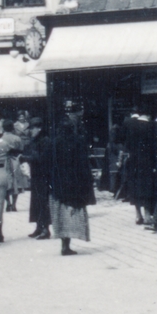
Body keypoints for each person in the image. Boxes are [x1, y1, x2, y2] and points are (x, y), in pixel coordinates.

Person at [46, 102, 95, 256]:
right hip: (74, 181)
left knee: (61, 212)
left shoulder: (54, 142)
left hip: (59, 181)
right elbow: (82, 164)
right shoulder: (77, 141)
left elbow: (49, 161)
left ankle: (64, 243)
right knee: (71, 212)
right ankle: (66, 245)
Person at [122, 107, 157, 225]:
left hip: (133, 161)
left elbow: (126, 143)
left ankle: (138, 215)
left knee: (135, 187)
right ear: (148, 116)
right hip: (147, 162)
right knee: (147, 187)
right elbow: (154, 146)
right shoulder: (151, 126)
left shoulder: (130, 126)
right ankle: (147, 215)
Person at [23, 117, 51, 239]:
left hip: (43, 174)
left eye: (33, 128)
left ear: (39, 128)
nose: (31, 131)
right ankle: (39, 226)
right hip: (36, 174)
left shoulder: (45, 141)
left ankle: (45, 228)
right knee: (36, 201)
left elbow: (43, 158)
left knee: (43, 201)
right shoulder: (34, 141)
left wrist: (28, 158)